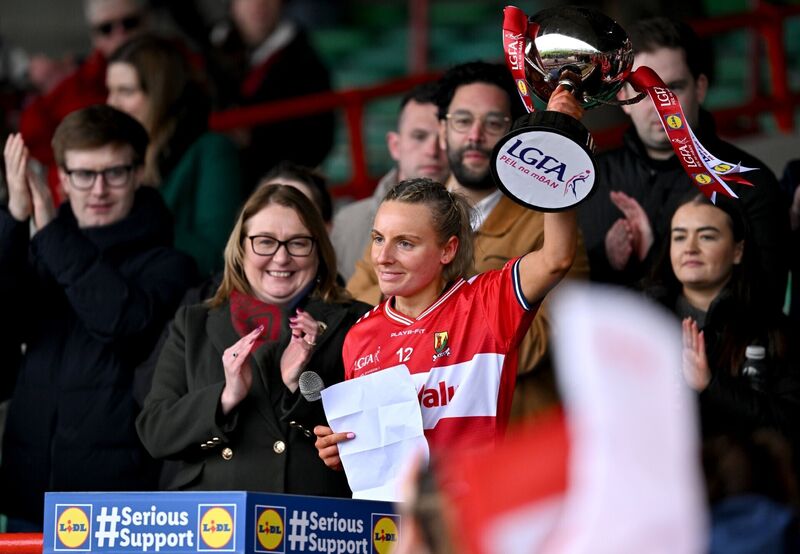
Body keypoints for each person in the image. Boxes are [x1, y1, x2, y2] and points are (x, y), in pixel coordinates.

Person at [313, 83, 582, 462]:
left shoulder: (487, 303)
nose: (383, 257)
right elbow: (377, 455)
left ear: (447, 250)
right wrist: (343, 450)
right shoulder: (359, 337)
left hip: (472, 511)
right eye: (378, 239)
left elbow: (556, 257)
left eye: (405, 243)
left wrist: (560, 143)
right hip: (392, 520)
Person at [0, 105, 196, 530]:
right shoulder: (42, 253)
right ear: (62, 179)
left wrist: (50, 230)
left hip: (120, 506)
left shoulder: (171, 266)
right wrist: (14, 219)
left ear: (140, 172)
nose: (99, 189)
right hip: (29, 499)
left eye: (115, 173)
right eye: (83, 175)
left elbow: (120, 323)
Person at [346, 61, 590, 378]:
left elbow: (538, 347)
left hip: (512, 424)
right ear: (443, 132)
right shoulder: (402, 219)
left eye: (492, 123)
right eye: (462, 121)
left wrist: (433, 316)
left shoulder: (549, 227)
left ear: (514, 132)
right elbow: (354, 317)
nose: (475, 136)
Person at [136, 184, 371, 495]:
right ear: (241, 248)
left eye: (298, 243)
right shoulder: (193, 323)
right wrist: (225, 398)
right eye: (265, 242)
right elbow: (155, 432)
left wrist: (296, 387)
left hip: (312, 522)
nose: (281, 257)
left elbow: (375, 439)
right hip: (217, 526)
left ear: (319, 250)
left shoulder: (359, 322)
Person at [577, 17, 789, 312]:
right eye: (644, 90)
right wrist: (604, 259)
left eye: (671, 88)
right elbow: (563, 304)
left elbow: (764, 306)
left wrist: (654, 259)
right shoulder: (588, 179)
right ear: (622, 95)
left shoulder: (749, 182)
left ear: (700, 89)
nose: (660, 105)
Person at [645, 193, 800, 443]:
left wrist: (711, 384)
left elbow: (789, 427)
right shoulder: (643, 321)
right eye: (679, 236)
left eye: (706, 236)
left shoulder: (772, 328)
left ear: (738, 250)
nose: (690, 248)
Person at [107, 34, 244, 276]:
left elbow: (218, 256)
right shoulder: (116, 156)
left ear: (160, 95)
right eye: (110, 91)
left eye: (126, 92)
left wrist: (135, 210)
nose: (112, 103)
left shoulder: (212, 150)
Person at [18, 0, 149, 203]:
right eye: (107, 28)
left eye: (130, 23)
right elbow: (32, 136)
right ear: (94, 36)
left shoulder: (179, 66)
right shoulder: (77, 82)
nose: (120, 34)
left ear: (146, 22)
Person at [331, 81, 450, 280]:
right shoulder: (348, 222)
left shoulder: (478, 216)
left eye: (444, 138)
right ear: (395, 145)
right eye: (419, 136)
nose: (432, 150)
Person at [213, 0, 335, 189]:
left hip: (277, 192)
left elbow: (316, 142)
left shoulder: (306, 65)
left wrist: (253, 138)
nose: (258, 4)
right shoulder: (211, 50)